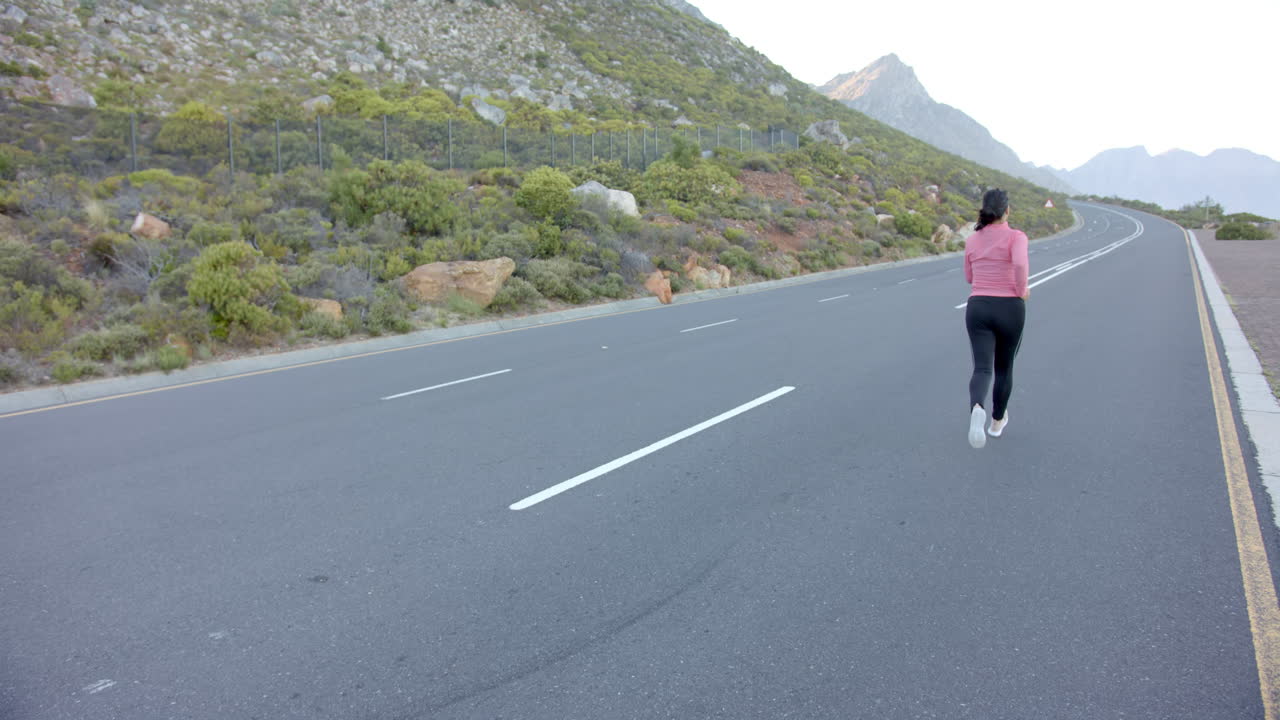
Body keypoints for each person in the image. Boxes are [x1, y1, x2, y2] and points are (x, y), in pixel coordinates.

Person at [963, 189, 1029, 449]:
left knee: (982, 368)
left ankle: (977, 407)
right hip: (1010, 307)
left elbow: (969, 277)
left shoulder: (972, 240)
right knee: (1004, 367)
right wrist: (1021, 290)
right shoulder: (1016, 237)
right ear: (1007, 211)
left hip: (978, 306)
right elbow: (1020, 264)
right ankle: (996, 422)